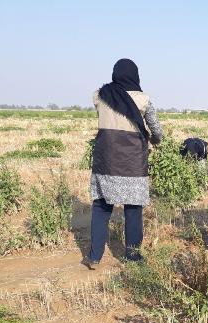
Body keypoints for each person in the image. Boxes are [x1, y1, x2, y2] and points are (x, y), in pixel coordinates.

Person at [84, 59, 163, 269]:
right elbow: (156, 129)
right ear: (136, 76)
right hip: (133, 163)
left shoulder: (100, 95)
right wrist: (155, 140)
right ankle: (133, 256)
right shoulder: (143, 99)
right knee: (133, 209)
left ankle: (94, 257)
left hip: (105, 161)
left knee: (101, 207)